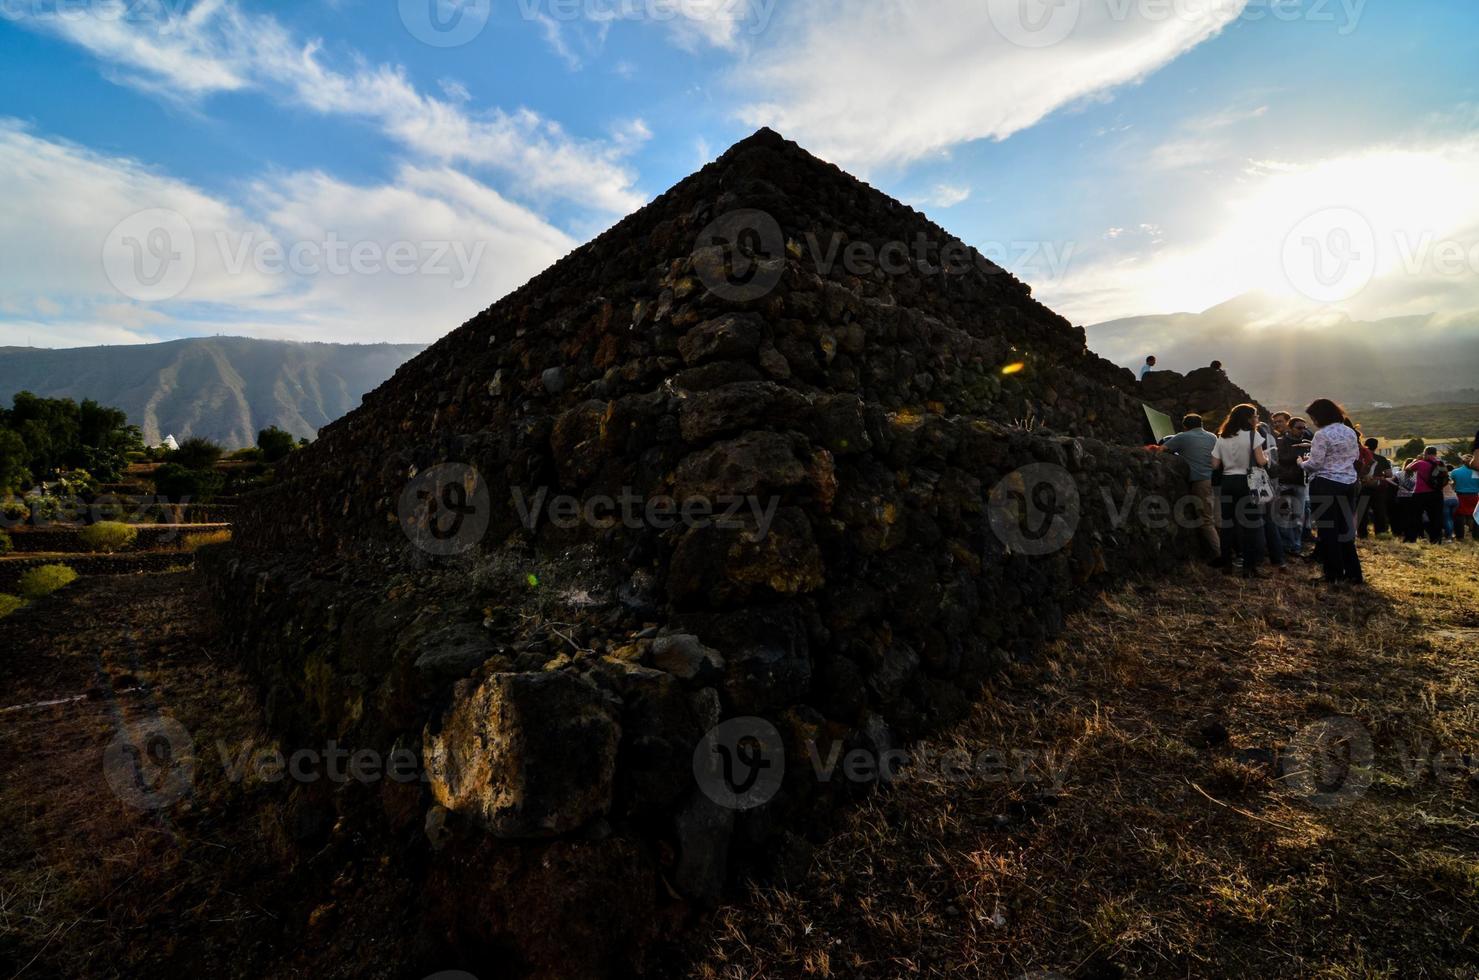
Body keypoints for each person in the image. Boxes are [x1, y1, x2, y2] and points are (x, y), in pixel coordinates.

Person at [1299, 398, 1363, 586]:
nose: (1312, 421)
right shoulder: (1350, 431)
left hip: (1325, 484)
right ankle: (1354, 574)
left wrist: (1301, 463)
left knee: (1328, 531)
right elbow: (1355, 456)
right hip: (1348, 483)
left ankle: (1333, 574)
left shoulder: (1322, 434)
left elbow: (1315, 464)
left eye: (1313, 417)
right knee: (1345, 531)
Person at [1211, 403, 1270, 578]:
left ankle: (1227, 564)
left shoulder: (1222, 437)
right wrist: (1266, 458)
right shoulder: (1253, 435)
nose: (1257, 418)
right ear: (1248, 418)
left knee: (1228, 525)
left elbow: (1214, 464)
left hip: (1228, 481)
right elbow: (1260, 461)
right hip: (1248, 482)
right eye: (1256, 415)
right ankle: (1249, 567)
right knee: (1250, 525)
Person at [1161, 414, 1220, 558]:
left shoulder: (1182, 437)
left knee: (1206, 520)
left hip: (1199, 481)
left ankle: (1220, 555)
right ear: (1201, 424)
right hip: (1214, 480)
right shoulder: (1212, 437)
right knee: (1216, 517)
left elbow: (1162, 449)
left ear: (1185, 426)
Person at [1270, 412, 1310, 556]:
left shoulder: (1307, 442)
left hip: (1300, 482)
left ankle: (1296, 546)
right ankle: (1288, 545)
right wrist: (1299, 456)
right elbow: (1281, 459)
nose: (1302, 430)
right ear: (1291, 427)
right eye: (1299, 427)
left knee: (1298, 517)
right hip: (1285, 482)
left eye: (1304, 428)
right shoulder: (1281, 441)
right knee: (1284, 516)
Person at [1404, 447, 1447, 545]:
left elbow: (1407, 468)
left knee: (1414, 516)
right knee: (1436, 517)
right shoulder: (1441, 463)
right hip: (1437, 493)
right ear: (1436, 453)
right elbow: (1445, 477)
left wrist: (1416, 460)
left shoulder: (1420, 463)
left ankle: (1412, 539)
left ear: (1425, 453)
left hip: (1420, 493)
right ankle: (1436, 540)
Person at [1357, 438, 1394, 537]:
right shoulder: (1381, 459)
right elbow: (1389, 474)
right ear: (1376, 447)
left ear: (1365, 445)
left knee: (1362, 512)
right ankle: (1380, 533)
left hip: (1363, 488)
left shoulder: (1361, 458)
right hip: (1378, 489)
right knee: (1379, 511)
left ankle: (1362, 534)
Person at [1451, 454, 1479, 542]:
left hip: (1460, 496)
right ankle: (1476, 536)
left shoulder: (1455, 472)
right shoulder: (1477, 472)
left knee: (1459, 516)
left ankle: (1460, 536)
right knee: (1476, 516)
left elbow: (1452, 484)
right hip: (1475, 496)